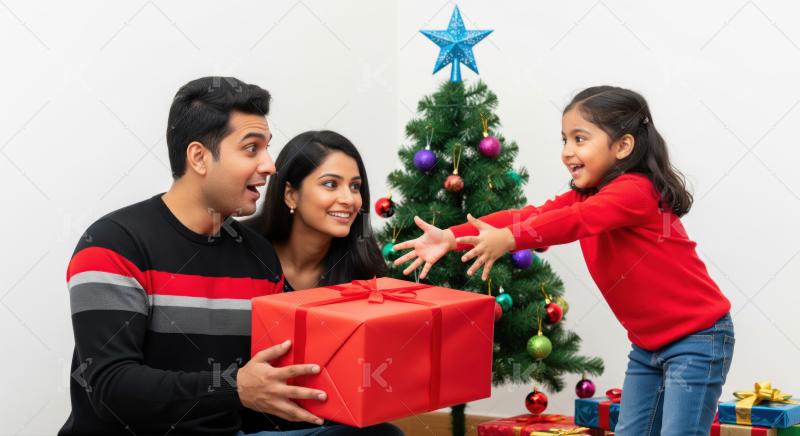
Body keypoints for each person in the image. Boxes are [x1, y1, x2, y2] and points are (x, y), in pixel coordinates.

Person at [393, 86, 734, 436]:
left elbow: (574, 222)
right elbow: (529, 215)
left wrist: (510, 240)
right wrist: (451, 236)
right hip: (648, 346)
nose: (567, 152)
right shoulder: (585, 195)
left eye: (580, 139)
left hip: (698, 339)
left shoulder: (636, 192)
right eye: (564, 140)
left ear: (623, 146)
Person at [60, 77, 328, 436]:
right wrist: (235, 387)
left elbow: (268, 381)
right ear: (199, 157)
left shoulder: (259, 255)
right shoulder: (112, 245)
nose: (270, 166)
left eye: (267, 149)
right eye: (252, 149)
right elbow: (111, 388)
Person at [243, 130, 403, 435]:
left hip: (328, 423)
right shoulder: (241, 252)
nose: (348, 199)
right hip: (249, 422)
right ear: (291, 194)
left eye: (355, 187)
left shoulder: (363, 266)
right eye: (331, 184)